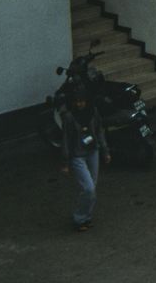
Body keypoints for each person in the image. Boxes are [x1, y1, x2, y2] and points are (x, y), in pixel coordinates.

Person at [59, 87, 109, 231]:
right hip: (77, 156)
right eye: (77, 102)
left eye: (82, 101)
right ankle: (79, 218)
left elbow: (99, 131)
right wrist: (65, 162)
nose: (79, 104)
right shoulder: (69, 117)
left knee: (91, 189)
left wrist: (105, 151)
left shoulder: (93, 112)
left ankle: (86, 217)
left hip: (93, 152)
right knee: (89, 188)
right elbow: (66, 139)